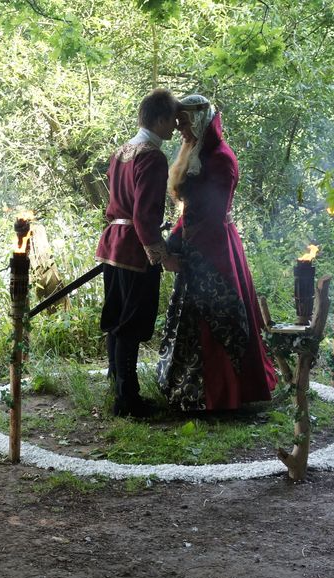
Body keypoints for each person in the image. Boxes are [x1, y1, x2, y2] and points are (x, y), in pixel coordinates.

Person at [157, 95, 277, 411]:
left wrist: (182, 244)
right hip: (198, 243)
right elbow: (191, 210)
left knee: (220, 316)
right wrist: (175, 241)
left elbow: (211, 213)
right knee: (195, 319)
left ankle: (224, 396)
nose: (179, 129)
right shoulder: (198, 153)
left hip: (215, 250)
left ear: (199, 121)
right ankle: (193, 391)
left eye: (184, 122)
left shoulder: (220, 158)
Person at [95, 89, 182, 418]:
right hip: (134, 249)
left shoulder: (122, 151)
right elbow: (145, 216)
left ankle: (118, 387)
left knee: (117, 319)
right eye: (172, 120)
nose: (175, 127)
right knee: (130, 323)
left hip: (113, 244)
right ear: (159, 120)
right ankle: (127, 400)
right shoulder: (152, 156)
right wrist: (161, 256)